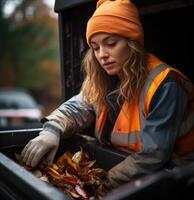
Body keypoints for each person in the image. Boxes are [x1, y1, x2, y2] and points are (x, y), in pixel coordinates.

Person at [21, 0, 194, 188]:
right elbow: (77, 107)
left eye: (111, 43)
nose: (102, 54)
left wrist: (100, 184)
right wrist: (52, 130)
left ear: (132, 42)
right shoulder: (105, 79)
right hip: (128, 171)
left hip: (177, 179)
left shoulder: (165, 84)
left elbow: (154, 155)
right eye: (95, 47)